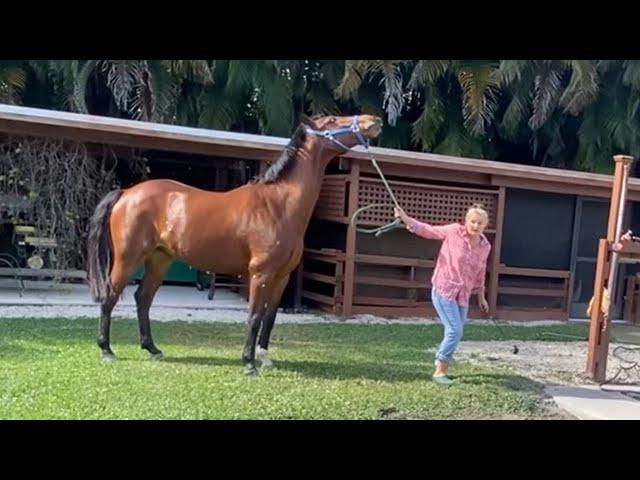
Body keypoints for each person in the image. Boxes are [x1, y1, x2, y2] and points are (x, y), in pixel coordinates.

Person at [394, 203, 492, 385]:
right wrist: (406, 219)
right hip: (444, 288)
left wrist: (481, 295)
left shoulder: (485, 246)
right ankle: (439, 371)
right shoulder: (454, 231)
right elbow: (429, 230)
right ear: (466, 221)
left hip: (463, 294)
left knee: (457, 332)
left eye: (479, 223)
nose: (475, 226)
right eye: (472, 222)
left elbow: (481, 270)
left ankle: (442, 365)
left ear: (485, 225)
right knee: (455, 330)